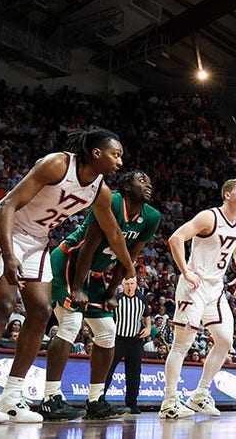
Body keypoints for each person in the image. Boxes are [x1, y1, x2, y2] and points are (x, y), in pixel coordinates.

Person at [0, 129, 135, 424]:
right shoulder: (58, 164)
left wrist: (129, 267)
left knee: (40, 311)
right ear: (97, 153)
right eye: (116, 155)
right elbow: (7, 205)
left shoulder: (100, 189)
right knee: (2, 306)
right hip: (8, 231)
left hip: (38, 239)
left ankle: (11, 396)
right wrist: (9, 254)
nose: (119, 162)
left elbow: (113, 232)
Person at [40, 170, 160, 420]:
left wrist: (109, 292)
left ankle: (95, 401)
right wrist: (77, 287)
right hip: (69, 263)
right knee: (71, 324)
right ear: (127, 186)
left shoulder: (152, 216)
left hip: (95, 272)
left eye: (149, 182)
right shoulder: (112, 201)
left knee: (106, 332)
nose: (148, 185)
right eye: (142, 180)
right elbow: (89, 245)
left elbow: (128, 259)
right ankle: (50, 398)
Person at [159, 178, 236, 419]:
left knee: (224, 340)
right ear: (227, 195)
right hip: (194, 285)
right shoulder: (209, 217)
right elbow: (176, 238)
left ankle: (200, 395)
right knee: (182, 345)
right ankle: (169, 401)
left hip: (215, 289)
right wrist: (185, 271)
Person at [106, 276, 150, 414]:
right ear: (122, 284)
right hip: (118, 340)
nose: (129, 286)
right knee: (108, 370)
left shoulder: (142, 299)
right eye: (127, 284)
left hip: (135, 341)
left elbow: (146, 316)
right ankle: (99, 399)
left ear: (136, 284)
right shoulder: (116, 299)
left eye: (132, 283)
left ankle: (132, 404)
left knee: (134, 374)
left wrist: (148, 327)